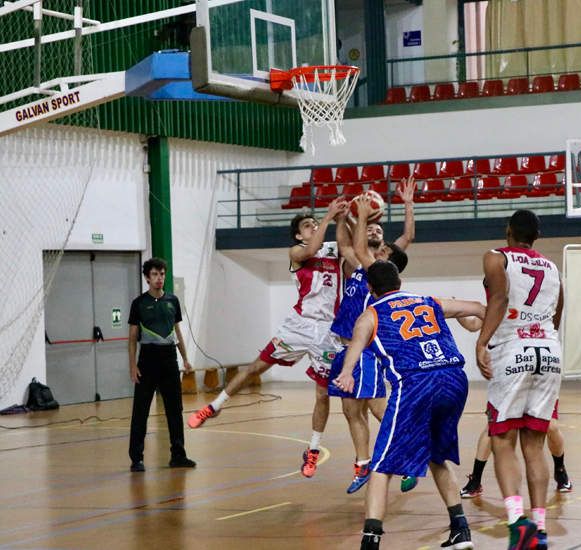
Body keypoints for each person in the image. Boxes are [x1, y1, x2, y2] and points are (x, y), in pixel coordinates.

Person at [188, 199, 349, 480]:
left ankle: (312, 450)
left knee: (323, 394)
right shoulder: (296, 250)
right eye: (306, 225)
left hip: (327, 330)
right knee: (255, 367)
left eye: (314, 223)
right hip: (299, 325)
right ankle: (213, 407)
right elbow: (311, 249)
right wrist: (327, 218)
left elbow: (348, 244)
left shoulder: (333, 250)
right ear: (299, 234)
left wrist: (344, 218)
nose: (312, 227)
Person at [333, 261, 485, 550]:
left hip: (417, 382)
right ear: (399, 281)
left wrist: (345, 373)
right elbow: (479, 307)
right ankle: (460, 530)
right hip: (455, 380)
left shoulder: (370, 314)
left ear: (369, 288)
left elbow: (354, 346)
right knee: (437, 457)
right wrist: (485, 345)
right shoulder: (429, 301)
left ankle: (371, 541)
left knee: (380, 465)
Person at [475, 210, 564, 550]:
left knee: (502, 440)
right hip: (549, 350)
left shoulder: (496, 257)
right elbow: (557, 314)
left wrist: (482, 342)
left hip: (513, 349)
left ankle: (516, 523)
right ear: (537, 236)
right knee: (534, 445)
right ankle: (539, 527)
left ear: (508, 230)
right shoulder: (553, 268)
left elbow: (498, 299)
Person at [329, 190, 411, 494]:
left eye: (379, 230)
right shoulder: (355, 262)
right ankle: (363, 463)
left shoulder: (378, 269)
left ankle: (407, 455)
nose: (375, 232)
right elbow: (345, 243)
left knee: (379, 409)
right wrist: (343, 217)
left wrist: (360, 216)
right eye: (371, 229)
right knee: (351, 411)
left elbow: (400, 238)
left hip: (363, 349)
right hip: (343, 346)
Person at [128, 257, 196, 472]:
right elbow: (131, 339)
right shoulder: (138, 303)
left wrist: (184, 358)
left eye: (162, 274)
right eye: (155, 275)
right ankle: (136, 458)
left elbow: (177, 332)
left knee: (175, 409)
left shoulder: (173, 301)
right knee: (141, 410)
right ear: (147, 278)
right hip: (147, 360)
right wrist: (132, 366)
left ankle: (178, 454)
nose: (159, 278)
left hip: (169, 360)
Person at [460, 419, 571, 499]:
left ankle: (560, 469)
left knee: (551, 426)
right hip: (509, 388)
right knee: (492, 426)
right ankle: (476, 478)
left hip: (540, 388)